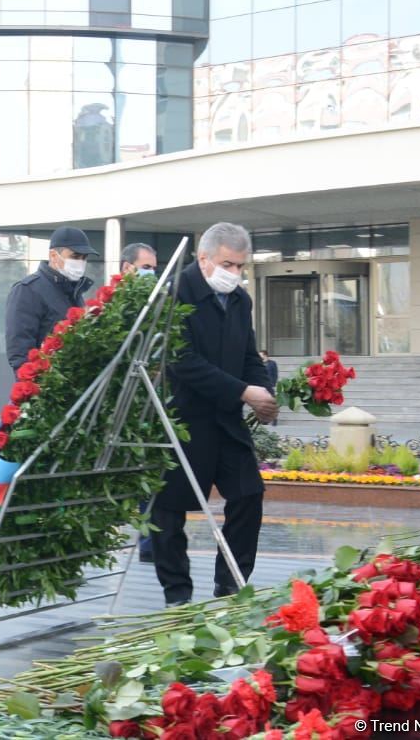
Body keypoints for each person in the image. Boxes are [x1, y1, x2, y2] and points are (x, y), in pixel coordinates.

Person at [151, 222, 277, 608]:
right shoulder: (173, 295)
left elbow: (247, 356)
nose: (235, 274)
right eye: (228, 264)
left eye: (241, 267)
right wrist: (243, 391)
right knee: (169, 510)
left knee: (248, 495)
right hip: (181, 420)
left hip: (225, 419)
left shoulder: (240, 301)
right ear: (203, 259)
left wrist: (264, 395)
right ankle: (178, 596)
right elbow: (182, 362)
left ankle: (231, 585)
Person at [4, 226, 99, 374]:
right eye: (75, 256)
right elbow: (20, 352)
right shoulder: (28, 290)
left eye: (84, 258)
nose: (80, 262)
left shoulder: (75, 292)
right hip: (46, 388)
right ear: (54, 256)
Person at [121, 243, 161, 562]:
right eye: (146, 268)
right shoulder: (113, 309)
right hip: (121, 405)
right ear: (127, 269)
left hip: (150, 402)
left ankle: (150, 543)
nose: (152, 274)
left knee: (151, 473)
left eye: (154, 268)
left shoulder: (158, 307)